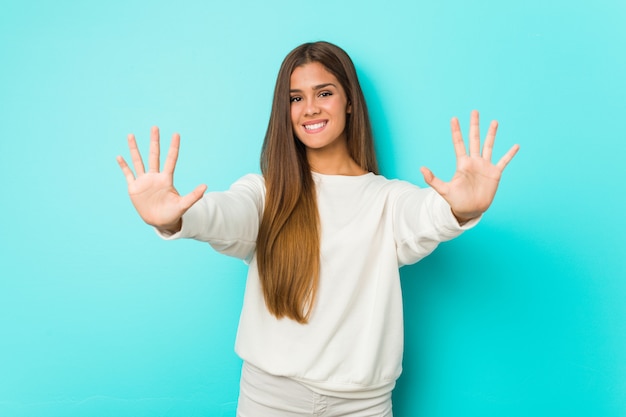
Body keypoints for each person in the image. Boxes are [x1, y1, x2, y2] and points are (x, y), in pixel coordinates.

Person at [116, 41, 519, 417]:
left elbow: (427, 216)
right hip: (268, 400)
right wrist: (174, 216)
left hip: (363, 406)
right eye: (296, 98)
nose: (309, 108)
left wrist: (459, 209)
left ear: (348, 103)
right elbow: (224, 215)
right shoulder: (264, 193)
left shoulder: (388, 200)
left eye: (324, 93)